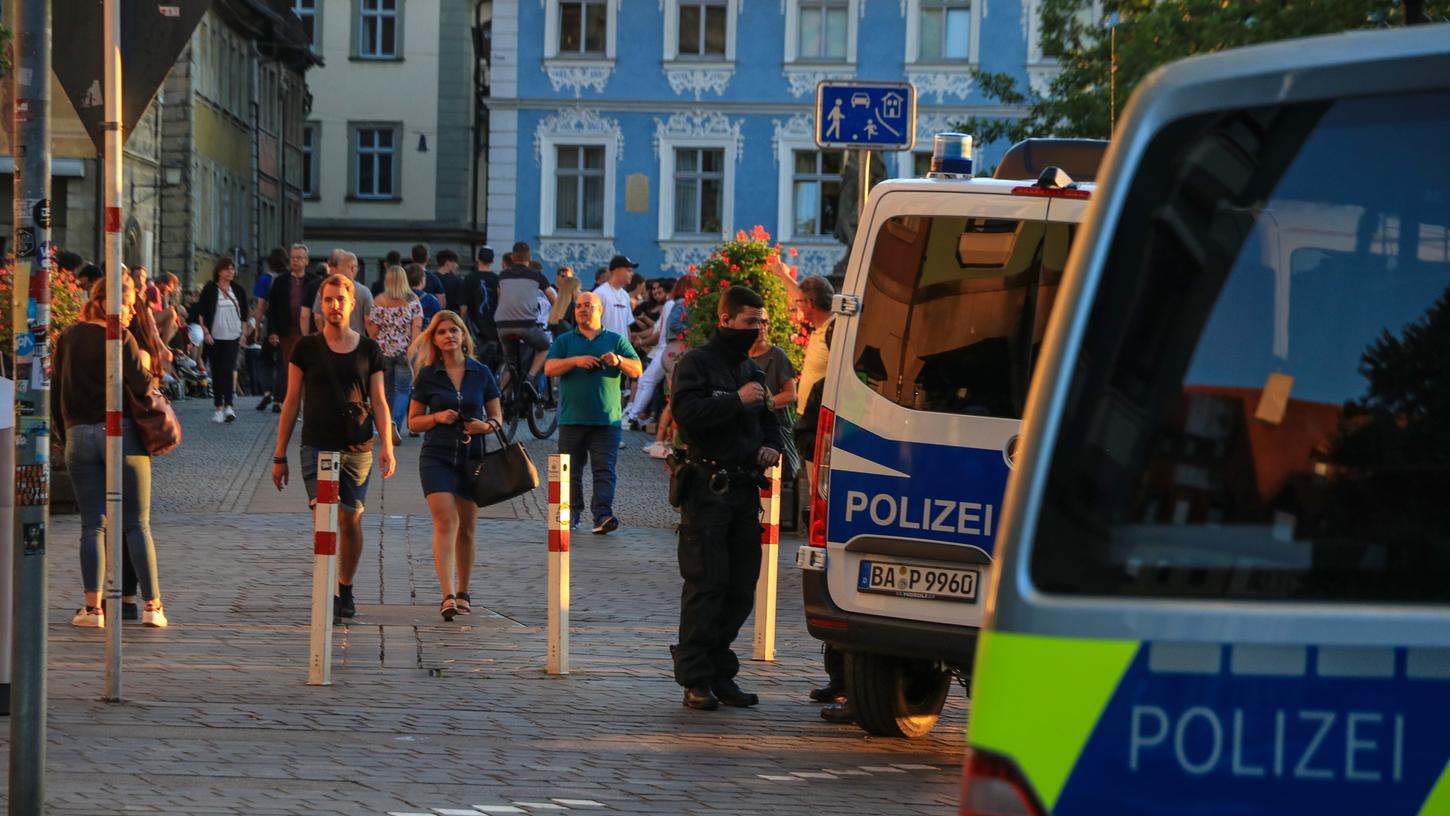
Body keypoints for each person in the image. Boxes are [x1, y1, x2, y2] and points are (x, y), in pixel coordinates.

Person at [668, 285, 783, 710]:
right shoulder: (697, 364)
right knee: (706, 584)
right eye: (750, 322)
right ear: (726, 320)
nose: (758, 329)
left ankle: (721, 671)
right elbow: (687, 416)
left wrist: (770, 447)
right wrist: (735, 402)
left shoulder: (752, 372)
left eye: (762, 322)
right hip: (707, 489)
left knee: (740, 589)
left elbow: (772, 423)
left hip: (743, 490)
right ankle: (696, 678)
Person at [271, 274, 396, 622]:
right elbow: (292, 400)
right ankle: (326, 589)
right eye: (328, 300)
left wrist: (388, 444)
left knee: (351, 519)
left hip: (357, 447)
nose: (334, 305)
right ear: (320, 305)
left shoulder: (369, 349)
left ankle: (346, 587)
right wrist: (280, 455)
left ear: (352, 303)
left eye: (341, 299)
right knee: (325, 518)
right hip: (316, 447)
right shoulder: (306, 348)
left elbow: (380, 401)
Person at [54, 273, 169, 628]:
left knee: (92, 525)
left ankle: (92, 610)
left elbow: (57, 389)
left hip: (78, 436)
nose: (132, 309)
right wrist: (148, 365)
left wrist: (65, 435)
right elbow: (143, 384)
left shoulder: (69, 337)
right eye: (129, 302)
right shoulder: (120, 336)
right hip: (119, 434)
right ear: (109, 302)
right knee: (136, 523)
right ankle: (152, 607)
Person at [407, 311, 503, 620]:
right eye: (442, 332)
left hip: (472, 458)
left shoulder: (482, 372)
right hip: (436, 456)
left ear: (463, 335)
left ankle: (464, 591)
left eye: (454, 330)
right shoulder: (427, 374)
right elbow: (414, 421)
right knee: (446, 520)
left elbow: (498, 418)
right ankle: (447, 594)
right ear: (434, 339)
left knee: (468, 526)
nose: (449, 335)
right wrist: (436, 417)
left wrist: (485, 427)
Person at [790, 274, 850, 717]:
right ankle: (838, 677)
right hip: (815, 435)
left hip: (825, 438)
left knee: (826, 537)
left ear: (811, 303)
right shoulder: (824, 329)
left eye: (799, 302)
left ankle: (845, 679)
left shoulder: (834, 330)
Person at [543, 292, 642, 535]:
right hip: (571, 418)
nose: (582, 310)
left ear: (600, 310)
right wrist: (575, 361)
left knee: (604, 470)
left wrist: (618, 360)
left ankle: (603, 515)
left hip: (606, 420)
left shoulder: (616, 340)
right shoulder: (565, 341)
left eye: (588, 306)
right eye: (578, 306)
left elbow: (637, 370)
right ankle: (572, 514)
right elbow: (549, 368)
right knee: (570, 472)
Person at [625, 275, 696, 436]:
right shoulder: (677, 304)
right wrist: (691, 332)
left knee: (652, 383)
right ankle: (634, 416)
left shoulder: (671, 304)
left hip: (665, 349)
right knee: (659, 386)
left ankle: (635, 415)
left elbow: (659, 330)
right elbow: (667, 328)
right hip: (670, 349)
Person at [368, 265, 423, 440]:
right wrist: (412, 349)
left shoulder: (379, 300)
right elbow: (417, 328)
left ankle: (387, 425)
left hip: (384, 352)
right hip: (404, 352)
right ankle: (395, 423)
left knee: (387, 391)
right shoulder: (413, 300)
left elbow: (374, 331)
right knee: (403, 390)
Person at [193, 256, 250, 423]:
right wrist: (206, 332)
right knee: (217, 372)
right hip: (215, 336)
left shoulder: (238, 290)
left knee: (228, 369)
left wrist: (243, 334)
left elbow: (245, 315)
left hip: (233, 335)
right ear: (219, 271)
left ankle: (229, 406)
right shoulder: (210, 289)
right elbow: (202, 313)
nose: (231, 272)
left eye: (232, 269)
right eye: (227, 269)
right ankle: (218, 407)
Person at [495, 242, 556, 388]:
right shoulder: (536, 275)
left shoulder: (502, 276)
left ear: (512, 257)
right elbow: (553, 299)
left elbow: (500, 299)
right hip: (526, 325)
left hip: (503, 326)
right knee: (545, 347)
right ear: (529, 257)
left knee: (511, 363)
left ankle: (504, 400)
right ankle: (530, 377)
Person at [749, 309, 799, 478]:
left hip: (776, 433)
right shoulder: (740, 358)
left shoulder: (777, 355)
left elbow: (791, 394)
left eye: (765, 322)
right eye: (757, 322)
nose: (762, 327)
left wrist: (764, 404)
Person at [256, 244, 307, 411]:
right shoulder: (280, 281)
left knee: (305, 367)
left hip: (305, 332)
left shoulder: (313, 281)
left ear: (306, 261)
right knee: (286, 367)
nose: (295, 261)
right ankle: (285, 400)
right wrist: (272, 331)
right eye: (293, 258)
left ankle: (301, 401)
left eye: (299, 258)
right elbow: (273, 308)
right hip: (285, 331)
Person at [304, 249, 375, 337]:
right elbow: (369, 322)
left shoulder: (325, 288)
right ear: (353, 268)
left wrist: (324, 336)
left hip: (330, 340)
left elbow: (318, 317)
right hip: (356, 341)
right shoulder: (365, 292)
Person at [462, 245, 501, 361]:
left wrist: (462, 325)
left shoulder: (469, 278)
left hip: (474, 330)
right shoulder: (497, 279)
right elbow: (500, 303)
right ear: (493, 261)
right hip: (493, 330)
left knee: (474, 361)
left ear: (478, 259)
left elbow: (463, 306)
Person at [593, 255, 637, 339]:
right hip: (604, 349)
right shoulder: (599, 293)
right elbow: (593, 324)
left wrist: (628, 349)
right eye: (629, 270)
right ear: (617, 270)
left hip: (621, 349)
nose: (632, 274)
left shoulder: (625, 295)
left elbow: (627, 326)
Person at [411, 243, 447, 307]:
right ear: (427, 258)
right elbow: (442, 304)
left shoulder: (403, 276)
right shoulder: (434, 278)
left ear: (412, 257)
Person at [548, 268, 580, 337]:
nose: (579, 292)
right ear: (573, 290)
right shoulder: (573, 307)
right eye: (578, 289)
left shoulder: (556, 307)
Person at [436, 249, 464, 313]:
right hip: (453, 317)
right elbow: (462, 304)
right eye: (455, 262)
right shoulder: (458, 281)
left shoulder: (430, 279)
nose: (457, 266)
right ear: (447, 263)